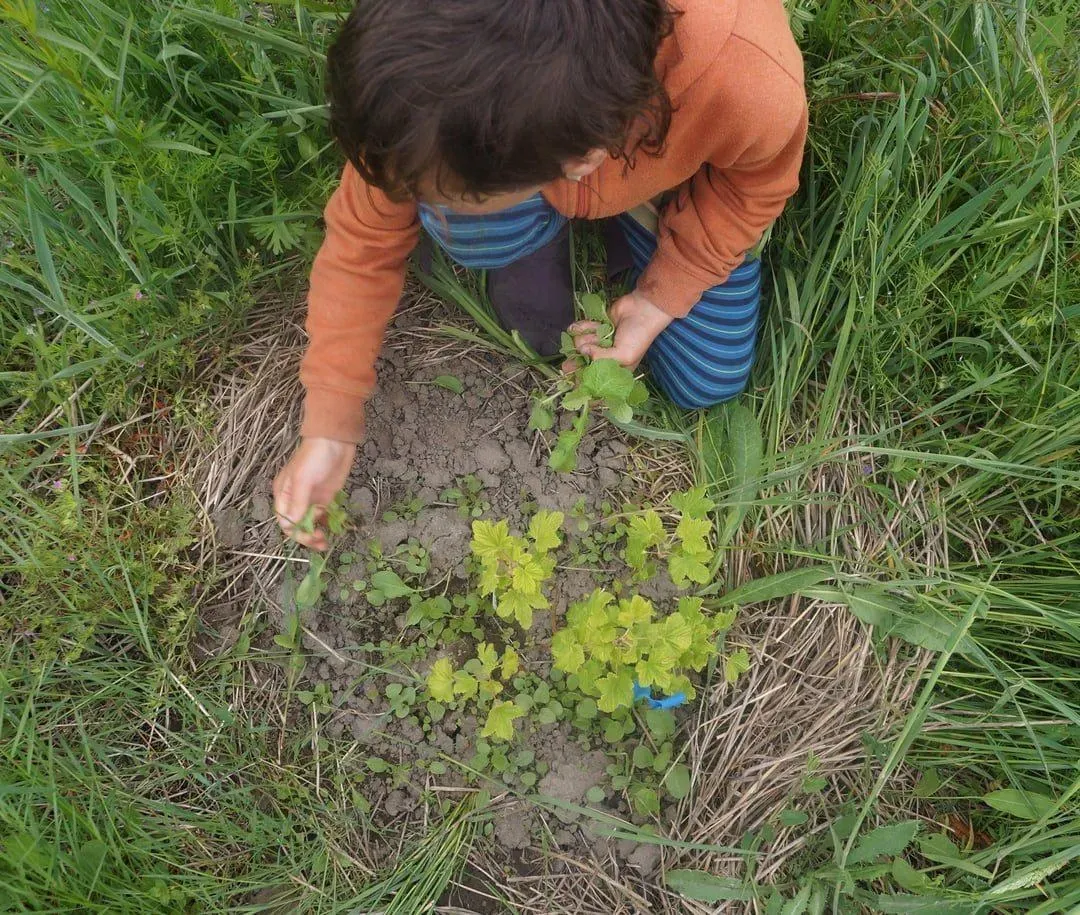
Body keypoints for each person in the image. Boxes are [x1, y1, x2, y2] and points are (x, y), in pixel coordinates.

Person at [275, 0, 807, 549]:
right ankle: (525, 233)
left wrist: (661, 295)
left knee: (706, 380)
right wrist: (330, 424)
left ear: (585, 159)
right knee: (495, 260)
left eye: (456, 195)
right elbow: (363, 240)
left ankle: (630, 225)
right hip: (549, 148)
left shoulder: (745, 77)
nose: (412, 201)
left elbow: (753, 187)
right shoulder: (431, 69)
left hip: (672, 174)